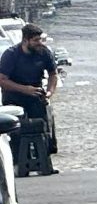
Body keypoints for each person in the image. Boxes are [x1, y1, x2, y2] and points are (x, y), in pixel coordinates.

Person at [0, 22, 61, 175]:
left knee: (42, 127)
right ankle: (18, 164)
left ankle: (45, 163)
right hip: (15, 94)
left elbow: (53, 74)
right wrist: (24, 89)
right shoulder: (11, 55)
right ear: (26, 40)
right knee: (16, 131)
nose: (39, 43)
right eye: (35, 40)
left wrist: (49, 92)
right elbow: (2, 80)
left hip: (35, 92)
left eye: (40, 39)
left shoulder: (44, 52)